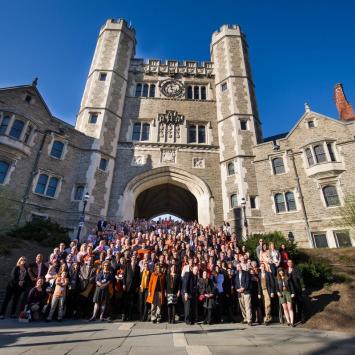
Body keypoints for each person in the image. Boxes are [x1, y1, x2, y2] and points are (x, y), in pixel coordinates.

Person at [123, 255, 140, 321]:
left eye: (135, 258)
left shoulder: (138, 267)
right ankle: (125, 315)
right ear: (131, 258)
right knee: (125, 302)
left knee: (132, 302)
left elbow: (138, 278)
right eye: (133, 258)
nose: (134, 259)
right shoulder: (127, 265)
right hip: (127, 286)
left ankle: (130, 316)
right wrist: (124, 284)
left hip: (134, 287)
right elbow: (124, 276)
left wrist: (137, 287)